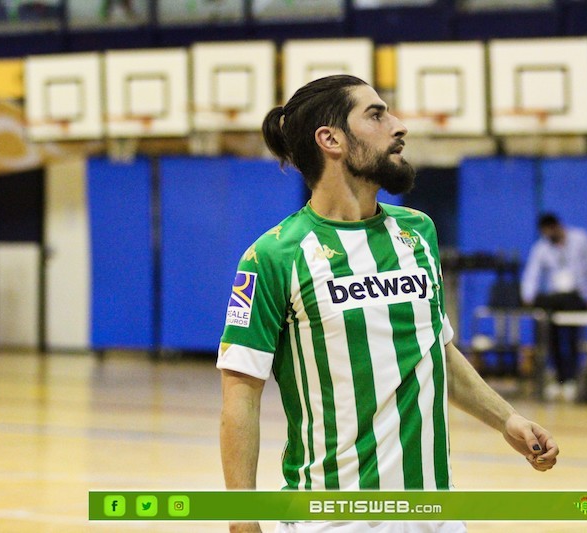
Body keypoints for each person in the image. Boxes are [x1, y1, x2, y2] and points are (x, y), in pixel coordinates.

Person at [217, 75, 559, 533]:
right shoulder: (273, 256)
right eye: (376, 115)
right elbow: (241, 393)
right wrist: (242, 519)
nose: (399, 126)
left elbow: (434, 349)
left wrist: (507, 419)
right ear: (331, 139)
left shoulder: (418, 232)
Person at [520, 213, 587, 401]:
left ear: (558, 226)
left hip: (577, 296)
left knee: (573, 339)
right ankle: (560, 378)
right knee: (553, 339)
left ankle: (572, 379)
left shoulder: (580, 239)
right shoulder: (542, 247)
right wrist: (528, 296)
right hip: (556, 300)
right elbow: (532, 273)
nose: (549, 235)